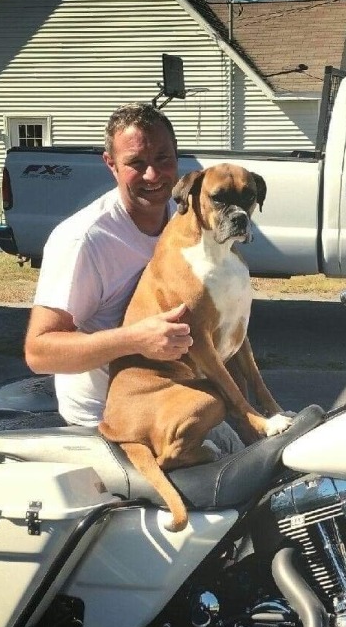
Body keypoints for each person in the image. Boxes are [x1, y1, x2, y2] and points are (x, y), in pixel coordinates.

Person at [24, 102, 242, 453]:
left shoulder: (184, 216)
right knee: (222, 478)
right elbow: (39, 352)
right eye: (136, 163)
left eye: (163, 158)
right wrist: (134, 339)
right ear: (111, 164)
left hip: (180, 397)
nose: (153, 175)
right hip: (111, 420)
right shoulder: (85, 240)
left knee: (259, 466)